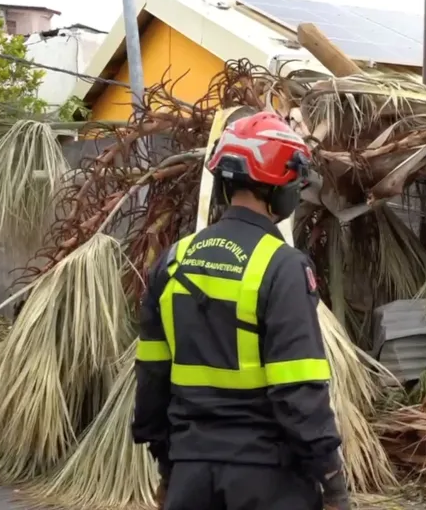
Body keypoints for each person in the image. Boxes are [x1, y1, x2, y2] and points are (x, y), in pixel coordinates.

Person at [131, 110, 350, 510]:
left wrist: (167, 466)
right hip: (267, 479)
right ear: (277, 184)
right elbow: (298, 389)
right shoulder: (282, 266)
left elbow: (152, 376)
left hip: (189, 473)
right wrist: (332, 479)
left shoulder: (175, 260)